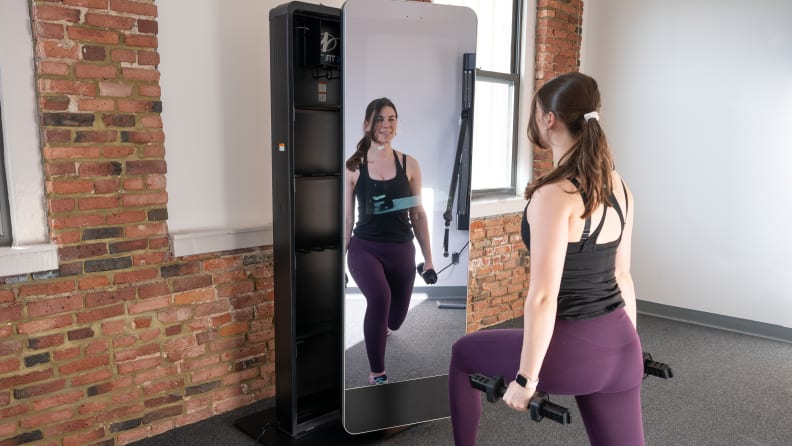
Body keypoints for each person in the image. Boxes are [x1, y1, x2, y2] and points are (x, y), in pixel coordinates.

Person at [448, 72, 644, 445]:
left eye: (536, 112)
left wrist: (526, 378)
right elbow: (623, 275)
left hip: (575, 352)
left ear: (548, 119)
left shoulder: (555, 195)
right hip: (622, 345)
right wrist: (631, 346)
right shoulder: (619, 187)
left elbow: (542, 297)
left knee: (462, 354)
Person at [345, 97, 435, 386]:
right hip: (364, 247)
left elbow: (418, 214)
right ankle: (377, 373)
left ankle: (384, 327)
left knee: (394, 320)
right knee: (379, 298)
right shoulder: (354, 168)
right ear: (367, 124)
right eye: (380, 119)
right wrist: (339, 260)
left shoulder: (409, 164)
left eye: (392, 118)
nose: (386, 125)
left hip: (401, 250)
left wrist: (429, 259)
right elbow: (347, 219)